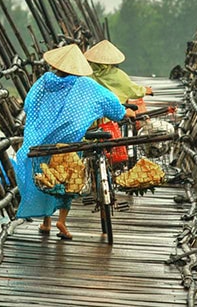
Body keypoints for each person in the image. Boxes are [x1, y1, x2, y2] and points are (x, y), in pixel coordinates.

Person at [13, 44, 132, 240]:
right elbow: (111, 103)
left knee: (45, 176)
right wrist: (122, 112)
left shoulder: (44, 82)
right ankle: (62, 221)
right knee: (68, 179)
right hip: (69, 140)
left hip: (41, 139)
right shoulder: (85, 85)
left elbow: (29, 104)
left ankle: (46, 222)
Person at [84, 40, 153, 104]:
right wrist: (145, 90)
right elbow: (132, 90)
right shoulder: (118, 75)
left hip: (92, 111)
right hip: (115, 112)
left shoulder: (85, 73)